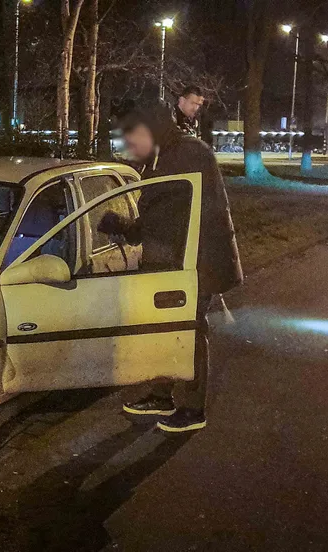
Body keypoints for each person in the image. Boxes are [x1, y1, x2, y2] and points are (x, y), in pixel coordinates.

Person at [99, 102, 243, 433]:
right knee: (166, 329)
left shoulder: (187, 154)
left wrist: (127, 226)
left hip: (198, 260)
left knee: (189, 331)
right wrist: (127, 226)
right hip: (174, 258)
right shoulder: (164, 155)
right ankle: (162, 395)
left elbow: (165, 209)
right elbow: (161, 212)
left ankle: (193, 409)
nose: (129, 141)